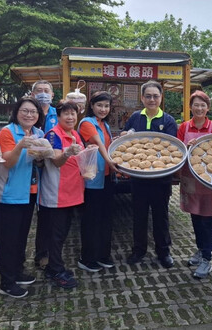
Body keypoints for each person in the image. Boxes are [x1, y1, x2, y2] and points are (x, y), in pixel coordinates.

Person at [0, 97, 44, 298]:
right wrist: (20, 145)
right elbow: (7, 162)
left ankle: (18, 271)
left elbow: (39, 163)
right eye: (25, 111)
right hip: (8, 195)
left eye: (33, 112)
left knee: (21, 236)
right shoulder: (8, 132)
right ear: (16, 112)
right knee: (7, 240)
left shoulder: (38, 133)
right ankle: (6, 282)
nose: (29, 115)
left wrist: (41, 157)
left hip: (29, 192)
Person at [121, 80, 178, 269]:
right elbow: (126, 138)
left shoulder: (168, 121)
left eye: (155, 96)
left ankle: (164, 251)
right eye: (148, 96)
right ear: (142, 98)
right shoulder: (135, 117)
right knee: (139, 215)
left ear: (161, 98)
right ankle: (139, 250)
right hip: (139, 178)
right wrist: (123, 136)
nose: (152, 99)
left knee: (161, 216)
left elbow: (172, 150)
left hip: (161, 179)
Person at [40, 101, 84, 288]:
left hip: (72, 191)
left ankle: (54, 266)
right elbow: (57, 162)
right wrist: (67, 153)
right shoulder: (52, 135)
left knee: (63, 232)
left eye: (73, 113)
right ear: (57, 117)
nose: (70, 117)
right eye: (65, 114)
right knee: (56, 235)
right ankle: (56, 270)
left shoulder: (75, 134)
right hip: (56, 193)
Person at [177, 90, 212, 279]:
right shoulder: (184, 127)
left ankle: (207, 258)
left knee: (206, 218)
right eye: (196, 104)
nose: (199, 108)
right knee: (195, 215)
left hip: (208, 179)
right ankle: (200, 249)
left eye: (203, 105)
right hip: (189, 177)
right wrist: (187, 147)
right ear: (190, 107)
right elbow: (178, 150)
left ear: (208, 108)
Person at [77, 91, 118, 272]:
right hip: (92, 180)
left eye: (107, 106)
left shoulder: (105, 125)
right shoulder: (87, 123)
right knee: (91, 219)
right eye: (100, 105)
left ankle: (103, 254)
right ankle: (87, 258)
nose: (103, 109)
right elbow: (99, 145)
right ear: (92, 106)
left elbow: (107, 145)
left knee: (106, 218)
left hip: (107, 178)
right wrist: (110, 161)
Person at [31, 80, 58, 270]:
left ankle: (47, 253)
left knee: (49, 216)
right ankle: (39, 254)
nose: (42, 94)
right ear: (32, 95)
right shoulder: (28, 113)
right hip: (30, 172)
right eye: (38, 91)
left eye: (46, 91)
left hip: (53, 170)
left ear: (52, 95)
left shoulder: (59, 113)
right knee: (32, 215)